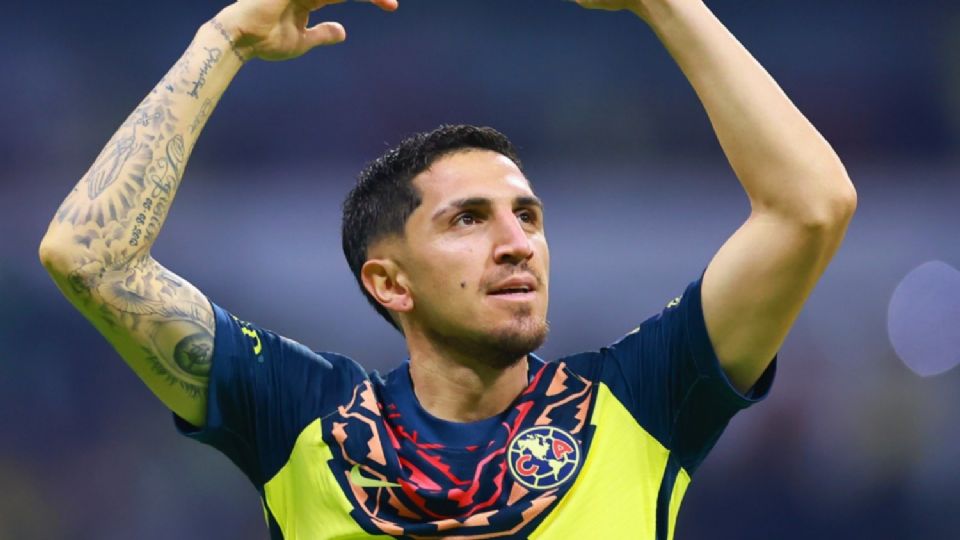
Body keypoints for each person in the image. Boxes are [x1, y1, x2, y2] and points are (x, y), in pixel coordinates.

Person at [38, 0, 856, 538]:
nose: (517, 242)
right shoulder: (299, 415)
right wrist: (223, 42)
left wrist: (666, 5)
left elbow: (811, 208)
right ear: (389, 283)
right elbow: (86, 257)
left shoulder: (641, 399)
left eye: (527, 216)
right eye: (469, 219)